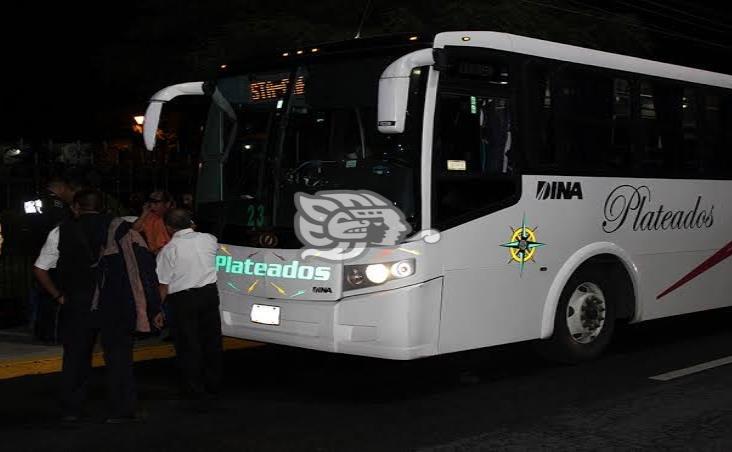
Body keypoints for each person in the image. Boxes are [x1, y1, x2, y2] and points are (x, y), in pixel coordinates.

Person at [33, 189, 160, 423]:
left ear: (75, 208)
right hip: (115, 302)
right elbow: (144, 266)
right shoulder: (122, 228)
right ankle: (121, 410)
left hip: (77, 303)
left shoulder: (61, 231)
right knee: (119, 357)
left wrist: (58, 295)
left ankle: (71, 409)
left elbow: (40, 269)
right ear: (104, 208)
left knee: (75, 357)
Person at [154, 209, 222, 398]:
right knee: (212, 340)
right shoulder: (209, 239)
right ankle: (213, 383)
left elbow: (163, 285)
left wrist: (157, 309)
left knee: (188, 343)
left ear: (167, 227)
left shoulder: (169, 250)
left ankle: (194, 387)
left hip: (183, 300)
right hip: (209, 295)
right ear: (191, 222)